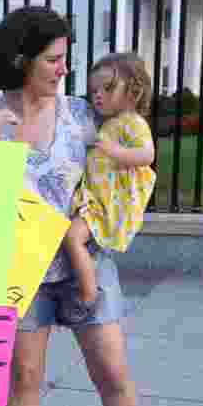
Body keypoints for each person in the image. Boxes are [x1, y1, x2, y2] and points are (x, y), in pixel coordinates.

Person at [0, 6, 175, 406]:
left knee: (113, 374)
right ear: (21, 59)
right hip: (21, 273)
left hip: (85, 263)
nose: (64, 69)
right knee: (24, 379)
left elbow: (135, 147)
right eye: (54, 59)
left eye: (65, 58)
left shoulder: (82, 113)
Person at [61, 52, 157, 322]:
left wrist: (113, 150)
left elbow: (147, 155)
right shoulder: (109, 121)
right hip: (93, 197)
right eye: (94, 90)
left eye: (108, 88)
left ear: (134, 90)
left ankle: (88, 295)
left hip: (106, 203)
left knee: (72, 238)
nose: (98, 95)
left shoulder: (133, 122)